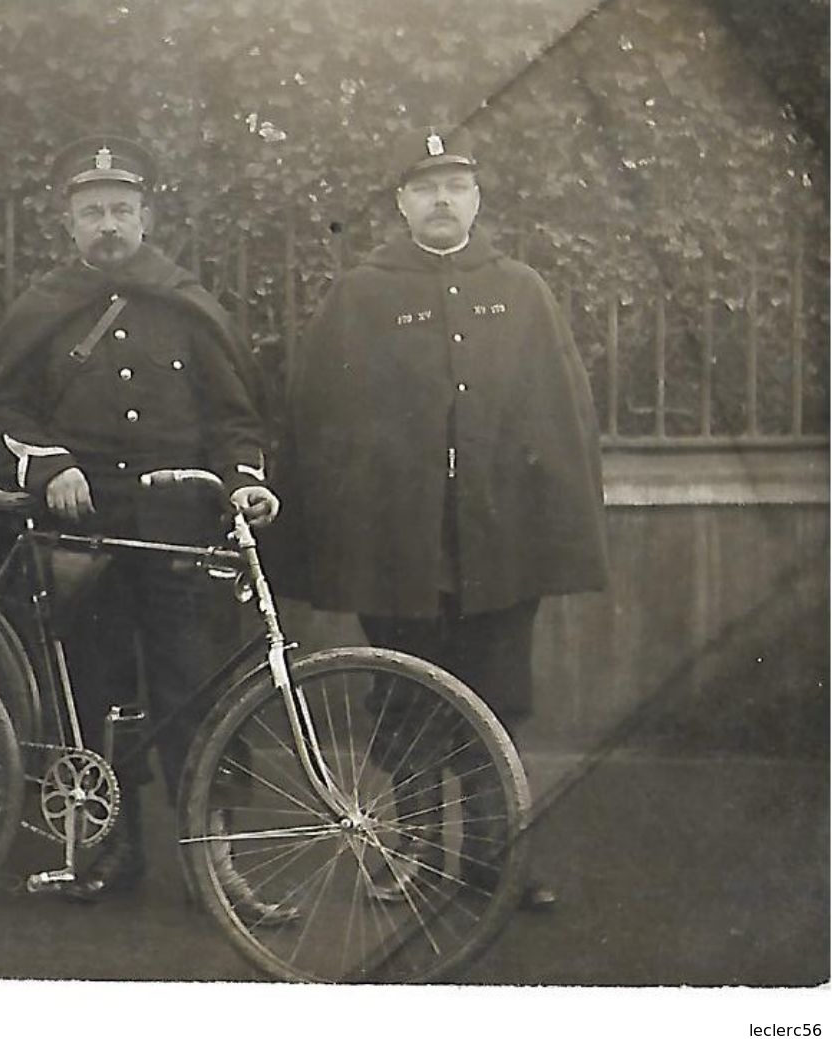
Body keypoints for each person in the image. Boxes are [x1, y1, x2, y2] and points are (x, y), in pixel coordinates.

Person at [0, 136, 279, 901]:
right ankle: (108, 848)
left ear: (147, 215)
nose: (109, 225)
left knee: (195, 692)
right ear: (68, 223)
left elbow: (235, 420)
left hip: (178, 530)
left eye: (121, 209)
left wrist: (243, 482)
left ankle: (215, 863)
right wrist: (49, 465)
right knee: (97, 693)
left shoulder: (187, 304)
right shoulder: (43, 308)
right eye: (93, 212)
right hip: (80, 533)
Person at [279, 127, 609, 910]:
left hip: (496, 539)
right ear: (399, 202)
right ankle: (416, 855)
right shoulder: (361, 294)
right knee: (405, 695)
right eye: (423, 188)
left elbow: (558, 412)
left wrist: (550, 519)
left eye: (454, 186)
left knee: (495, 695)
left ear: (476, 197)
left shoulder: (520, 290)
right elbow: (318, 415)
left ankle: (495, 861)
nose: (439, 200)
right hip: (396, 543)